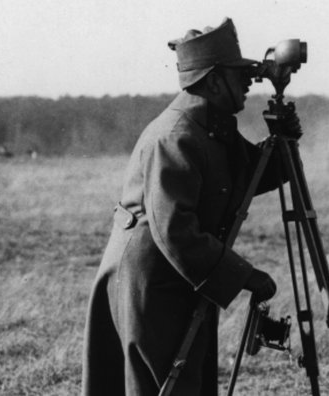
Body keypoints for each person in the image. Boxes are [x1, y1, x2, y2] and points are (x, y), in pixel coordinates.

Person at [81, 18, 299, 396]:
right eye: (238, 73)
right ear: (213, 81)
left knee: (186, 383)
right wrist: (245, 276)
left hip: (177, 278)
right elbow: (175, 230)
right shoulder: (176, 136)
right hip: (152, 284)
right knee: (167, 386)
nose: (249, 80)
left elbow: (249, 176)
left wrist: (285, 141)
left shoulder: (211, 129)